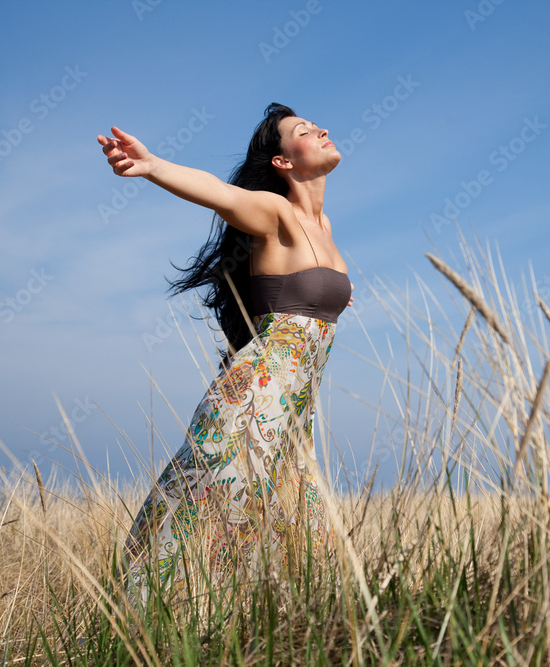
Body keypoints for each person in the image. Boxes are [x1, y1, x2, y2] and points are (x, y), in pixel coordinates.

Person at [96, 103, 353, 606]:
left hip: (294, 414)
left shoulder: (326, 227)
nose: (321, 129)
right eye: (303, 130)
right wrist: (152, 167)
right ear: (282, 162)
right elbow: (219, 192)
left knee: (289, 532)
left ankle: (257, 636)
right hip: (254, 403)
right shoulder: (275, 211)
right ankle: (142, 628)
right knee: (205, 514)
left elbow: (306, 302)